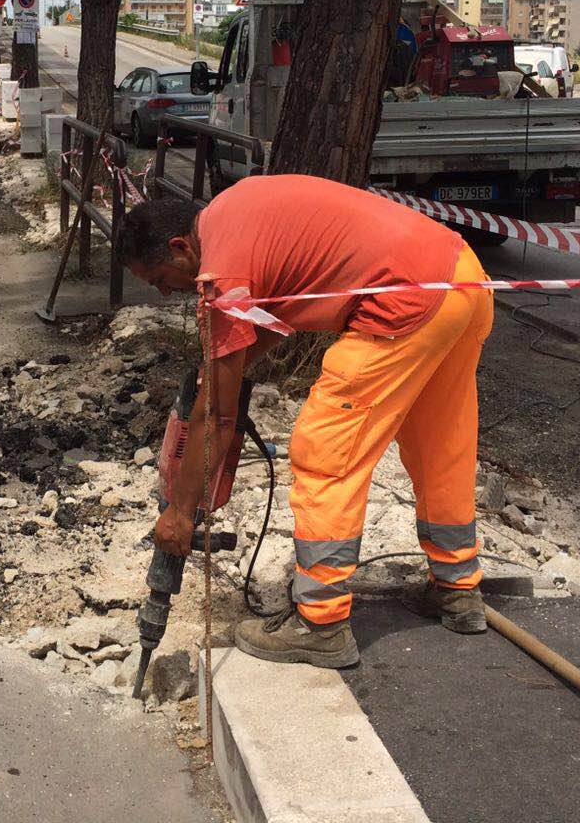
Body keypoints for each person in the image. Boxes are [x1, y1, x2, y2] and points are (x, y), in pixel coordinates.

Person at [116, 175, 495, 670]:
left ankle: (320, 624)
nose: (169, 294)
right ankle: (458, 591)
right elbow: (281, 317)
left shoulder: (220, 273)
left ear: (180, 247)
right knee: (438, 445)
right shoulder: (237, 212)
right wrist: (223, 370)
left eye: (162, 281)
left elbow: (217, 417)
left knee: (325, 449)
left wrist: (180, 514)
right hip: (462, 278)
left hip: (406, 300)